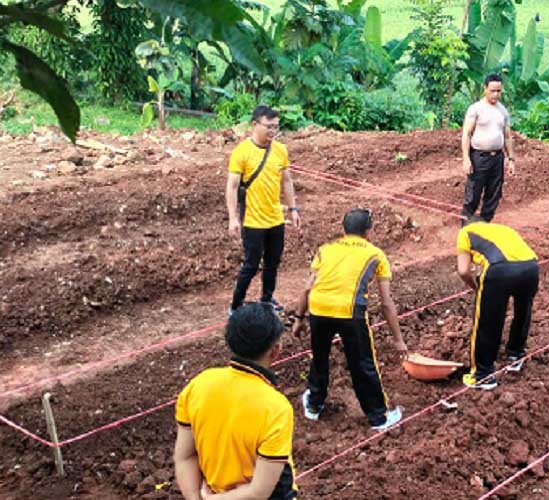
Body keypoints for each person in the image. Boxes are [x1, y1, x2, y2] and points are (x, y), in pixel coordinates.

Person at [292, 208, 408, 430]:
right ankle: (378, 417)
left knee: (319, 357)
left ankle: (314, 405)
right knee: (362, 363)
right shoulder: (375, 254)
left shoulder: (325, 250)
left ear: (343, 230)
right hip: (349, 312)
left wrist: (299, 318)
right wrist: (398, 339)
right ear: (368, 232)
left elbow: (308, 287)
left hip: (318, 309)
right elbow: (386, 303)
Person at [174, 303, 297, 500]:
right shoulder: (276, 407)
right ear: (275, 350)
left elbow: (185, 456)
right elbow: (258, 493)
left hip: (215, 491)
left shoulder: (198, 385)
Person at [226, 105, 301, 316]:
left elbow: (287, 181)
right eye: (268, 126)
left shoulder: (280, 150)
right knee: (250, 265)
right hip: (252, 220)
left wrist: (293, 208)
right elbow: (232, 187)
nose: (272, 131)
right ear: (255, 124)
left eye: (276, 127)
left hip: (275, 218)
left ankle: (267, 299)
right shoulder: (241, 152)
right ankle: (235, 305)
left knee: (272, 262)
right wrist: (233, 218)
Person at [456, 216, 539, 390]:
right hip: (531, 267)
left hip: (499, 269)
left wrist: (476, 287)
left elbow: (463, 270)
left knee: (487, 321)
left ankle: (483, 375)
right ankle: (516, 356)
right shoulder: (504, 229)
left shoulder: (465, 232)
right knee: (523, 311)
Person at [461, 73, 517, 223]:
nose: (496, 94)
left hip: (497, 159)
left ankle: (485, 226)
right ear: (485, 89)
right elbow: (466, 134)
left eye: (498, 91)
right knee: (473, 194)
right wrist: (466, 159)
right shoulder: (476, 109)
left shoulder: (502, 111)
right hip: (479, 158)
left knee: (493, 195)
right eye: (492, 91)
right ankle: (466, 229)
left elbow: (507, 136)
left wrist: (511, 159)